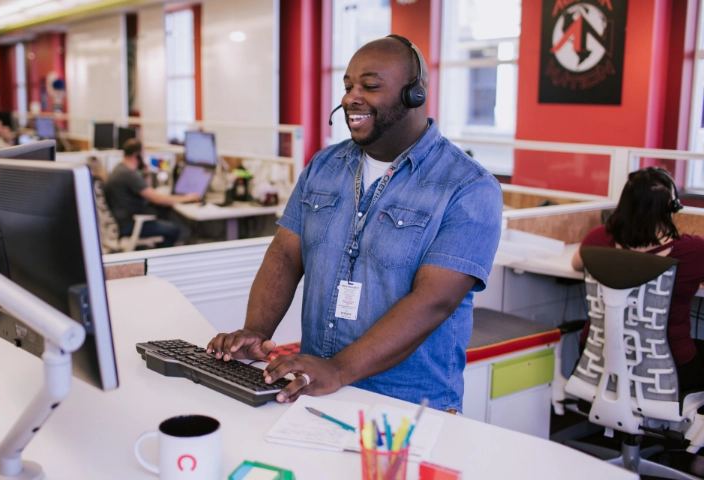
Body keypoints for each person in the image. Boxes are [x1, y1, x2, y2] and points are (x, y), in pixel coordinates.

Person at [207, 36, 502, 412]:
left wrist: (340, 368)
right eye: (348, 86)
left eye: (370, 86)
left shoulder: (468, 187)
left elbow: (433, 301)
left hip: (409, 405)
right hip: (319, 390)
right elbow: (284, 253)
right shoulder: (324, 166)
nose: (350, 98)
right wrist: (257, 331)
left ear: (414, 94)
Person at [572, 167, 704, 393]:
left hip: (599, 359)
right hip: (669, 368)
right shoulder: (693, 251)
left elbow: (576, 264)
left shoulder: (599, 238)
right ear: (673, 207)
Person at [104, 139, 200, 248]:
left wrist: (147, 174)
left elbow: (148, 191)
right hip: (131, 224)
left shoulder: (121, 168)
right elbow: (157, 199)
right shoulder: (129, 174)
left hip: (126, 219)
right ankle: (159, 257)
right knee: (173, 230)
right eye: (143, 154)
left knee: (166, 213)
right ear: (138, 155)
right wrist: (186, 197)